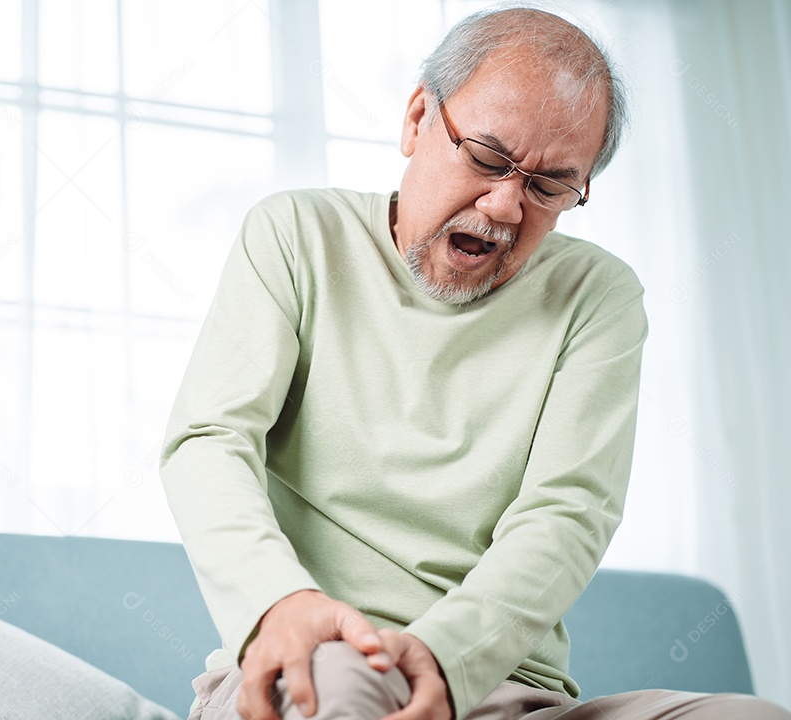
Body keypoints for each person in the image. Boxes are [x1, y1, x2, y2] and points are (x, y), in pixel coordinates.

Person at [160, 6, 790, 720]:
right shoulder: (297, 236)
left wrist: (445, 658)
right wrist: (282, 604)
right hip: (314, 659)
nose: (506, 205)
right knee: (336, 688)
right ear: (418, 117)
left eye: (551, 186)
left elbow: (567, 513)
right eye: (487, 158)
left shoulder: (597, 298)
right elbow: (209, 442)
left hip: (500, 691)